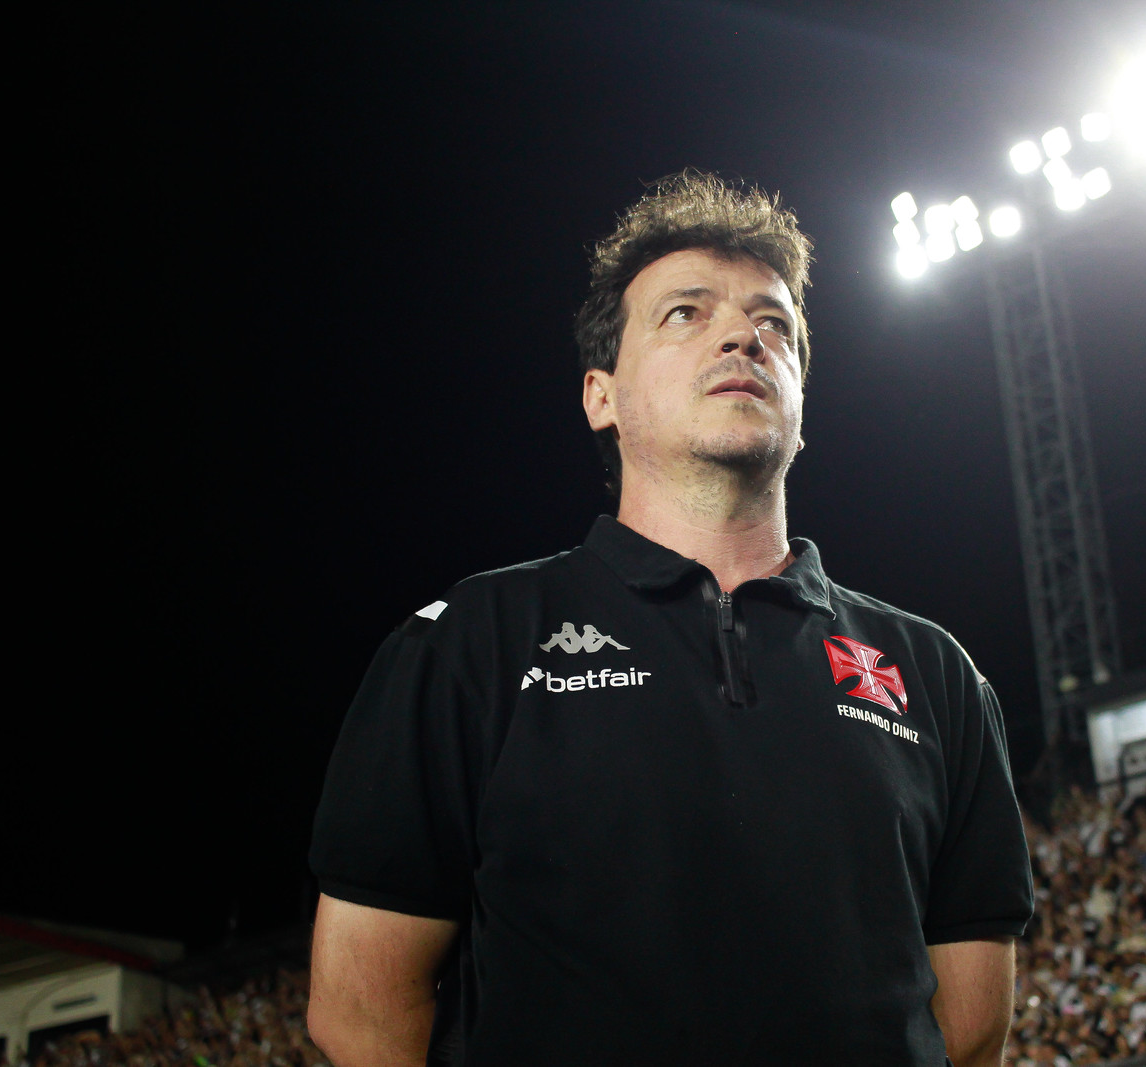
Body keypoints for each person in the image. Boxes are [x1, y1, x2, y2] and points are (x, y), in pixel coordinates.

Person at [304, 172, 1034, 1067]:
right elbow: (361, 1007)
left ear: (802, 404)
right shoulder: (466, 642)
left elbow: (970, 1025)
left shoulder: (934, 672)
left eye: (775, 325)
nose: (743, 336)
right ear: (600, 395)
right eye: (685, 313)